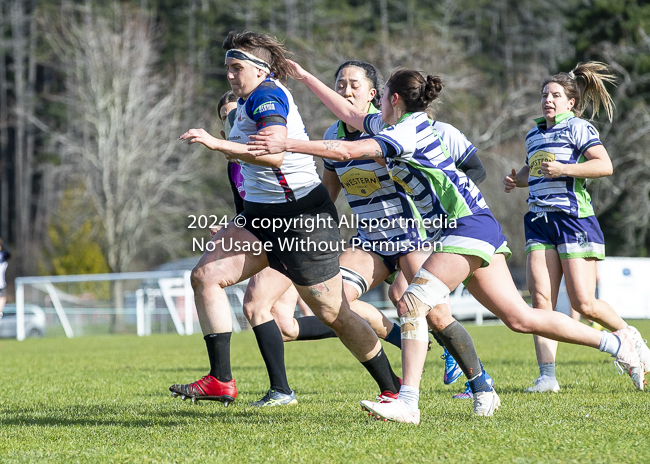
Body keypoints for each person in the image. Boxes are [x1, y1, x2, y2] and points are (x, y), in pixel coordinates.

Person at [248, 63, 646, 425]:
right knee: (519, 318)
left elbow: (349, 149)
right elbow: (350, 117)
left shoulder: (405, 131)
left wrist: (288, 144)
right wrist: (305, 78)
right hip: (469, 226)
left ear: (393, 100)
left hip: (465, 226)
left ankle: (408, 401)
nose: (369, 106)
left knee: (413, 303)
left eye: (380, 95)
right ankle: (617, 343)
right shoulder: (394, 124)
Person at [170, 31, 401, 408]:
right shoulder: (246, 101)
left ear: (260, 69)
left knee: (333, 313)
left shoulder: (267, 95)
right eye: (227, 67)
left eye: (236, 67)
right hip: (261, 218)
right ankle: (221, 379)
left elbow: (274, 153)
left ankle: (392, 387)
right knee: (205, 277)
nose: (229, 75)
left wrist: (218, 143)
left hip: (301, 220)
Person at [503, 62, 650, 392]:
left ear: (571, 102)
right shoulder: (534, 134)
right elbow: (537, 171)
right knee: (542, 304)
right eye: (544, 95)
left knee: (584, 304)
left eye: (555, 95)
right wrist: (518, 179)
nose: (548, 100)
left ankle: (630, 338)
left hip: (573, 220)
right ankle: (547, 377)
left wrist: (566, 169)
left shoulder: (579, 129)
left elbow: (604, 165)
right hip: (539, 221)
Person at [215, 91, 337, 407]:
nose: (233, 125)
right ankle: (281, 389)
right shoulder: (234, 168)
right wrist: (232, 229)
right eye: (227, 120)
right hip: (269, 235)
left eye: (236, 117)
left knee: (260, 306)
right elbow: (248, 210)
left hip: (296, 230)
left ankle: (281, 391)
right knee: (286, 322)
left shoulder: (265, 151)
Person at [0, 238, 10, 319]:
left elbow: (9, 252)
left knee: (3, 299)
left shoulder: (2, 257)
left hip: (1, 284)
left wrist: (2, 244)